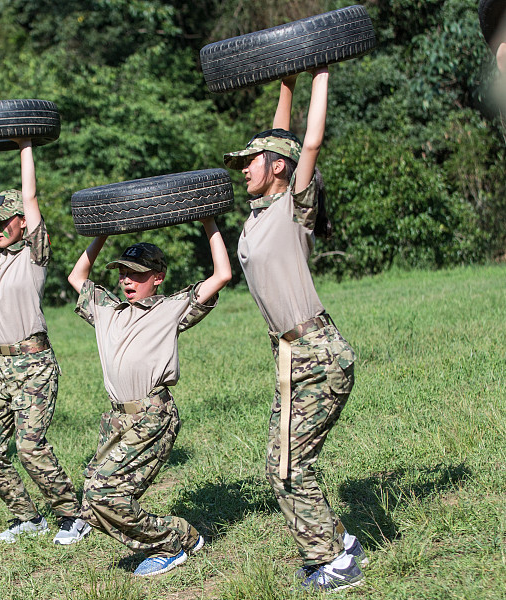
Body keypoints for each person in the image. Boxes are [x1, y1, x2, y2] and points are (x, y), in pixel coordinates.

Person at [223, 68, 367, 592]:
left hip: (317, 354)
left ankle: (335, 562)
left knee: (285, 466)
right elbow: (279, 139)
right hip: (294, 358)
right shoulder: (261, 214)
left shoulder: (291, 209)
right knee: (284, 461)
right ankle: (341, 543)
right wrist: (283, 79)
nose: (242, 170)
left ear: (278, 170)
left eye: (249, 163)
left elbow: (306, 142)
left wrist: (319, 70)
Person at [67, 217, 232, 576]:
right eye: (123, 272)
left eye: (137, 274)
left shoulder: (169, 309)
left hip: (151, 414)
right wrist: (101, 234)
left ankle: (173, 539)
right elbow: (76, 277)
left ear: (157, 278)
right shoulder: (106, 310)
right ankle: (175, 541)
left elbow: (221, 275)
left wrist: (208, 221)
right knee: (92, 502)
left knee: (104, 495)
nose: (127, 280)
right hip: (116, 417)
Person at [0, 139, 89, 545]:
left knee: (30, 447)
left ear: (20, 225)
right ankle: (27, 517)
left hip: (33, 364)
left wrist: (24, 144)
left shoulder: (34, 255)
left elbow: (30, 197)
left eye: (3, 223)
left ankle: (72, 515)